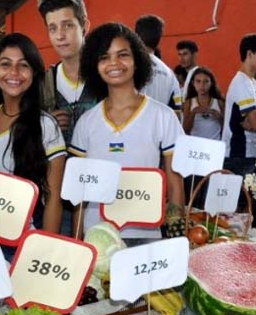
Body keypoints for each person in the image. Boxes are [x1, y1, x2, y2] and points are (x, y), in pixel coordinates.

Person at [69, 23, 185, 241]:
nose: (114, 63)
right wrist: (77, 245)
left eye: (122, 55)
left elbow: (174, 182)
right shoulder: (86, 122)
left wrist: (176, 235)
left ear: (138, 60)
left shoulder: (163, 116)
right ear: (94, 65)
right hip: (97, 237)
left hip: (147, 237)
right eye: (104, 57)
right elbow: (79, 194)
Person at [0, 33, 66, 234]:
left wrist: (44, 250)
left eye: (23, 65)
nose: (14, 72)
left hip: (24, 242)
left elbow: (53, 198)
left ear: (34, 72)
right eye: (5, 64)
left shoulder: (46, 125)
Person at [39, 0, 98, 144]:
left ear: (85, 26)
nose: (60, 35)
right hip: (59, 167)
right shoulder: (44, 84)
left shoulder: (105, 77)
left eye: (68, 25)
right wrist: (45, 127)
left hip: (102, 166)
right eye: (53, 28)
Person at [222, 34, 256, 178]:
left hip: (250, 153)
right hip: (238, 154)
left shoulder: (253, 83)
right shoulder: (241, 83)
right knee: (243, 200)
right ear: (249, 54)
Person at [134, 15, 182, 109]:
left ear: (135, 35)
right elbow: (177, 107)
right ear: (160, 38)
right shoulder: (170, 74)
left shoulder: (126, 65)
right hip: (160, 123)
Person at [182, 67, 224, 140]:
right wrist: (193, 113)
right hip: (196, 145)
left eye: (206, 81)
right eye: (198, 81)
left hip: (215, 144)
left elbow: (227, 128)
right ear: (193, 83)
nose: (202, 85)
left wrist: (219, 117)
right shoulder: (189, 102)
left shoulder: (219, 102)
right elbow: (185, 130)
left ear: (211, 83)